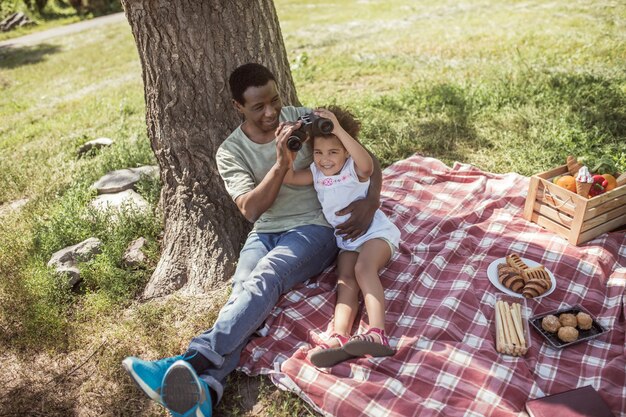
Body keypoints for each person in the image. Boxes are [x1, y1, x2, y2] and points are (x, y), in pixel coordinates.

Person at [121, 63, 382, 417]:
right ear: (238, 107)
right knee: (242, 290)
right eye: (259, 107)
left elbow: (365, 158)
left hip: (314, 228)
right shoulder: (230, 151)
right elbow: (251, 210)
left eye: (274, 100)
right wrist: (281, 163)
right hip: (265, 229)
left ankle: (193, 358)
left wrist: (371, 201)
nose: (272, 112)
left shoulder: (303, 119)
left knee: (268, 275)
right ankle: (209, 390)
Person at [280, 106, 400, 368]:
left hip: (375, 234)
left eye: (333, 152)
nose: (325, 159)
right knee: (344, 281)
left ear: (346, 150)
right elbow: (287, 175)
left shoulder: (353, 169)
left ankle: (377, 333)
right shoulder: (316, 172)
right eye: (319, 152)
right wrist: (286, 146)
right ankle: (338, 336)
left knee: (363, 268)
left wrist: (337, 129)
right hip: (347, 240)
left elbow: (368, 165)